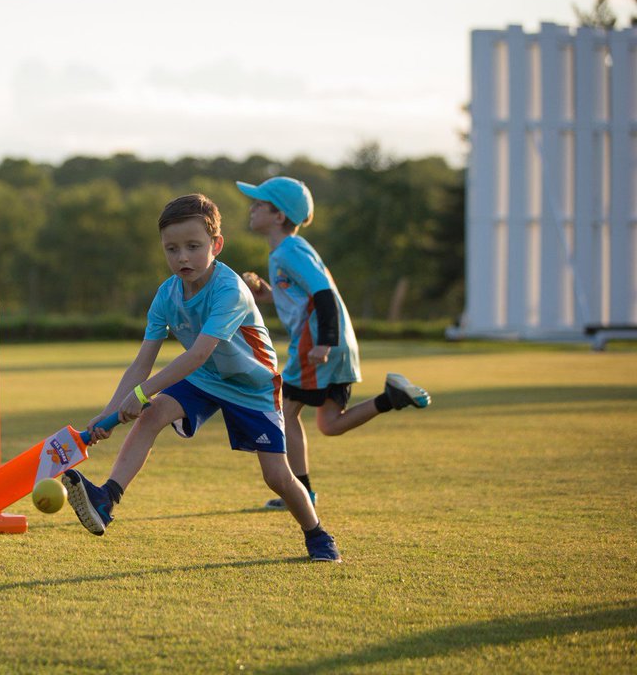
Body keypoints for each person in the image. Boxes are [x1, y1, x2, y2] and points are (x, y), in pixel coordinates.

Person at [61, 193, 343, 562]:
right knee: (152, 414)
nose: (182, 258)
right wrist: (111, 411)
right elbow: (141, 362)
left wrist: (141, 394)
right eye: (172, 249)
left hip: (252, 386)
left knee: (276, 476)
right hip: (206, 378)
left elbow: (197, 353)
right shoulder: (167, 294)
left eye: (194, 246)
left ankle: (317, 534)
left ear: (216, 245)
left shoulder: (229, 290)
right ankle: (107, 498)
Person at [235, 176, 431, 510]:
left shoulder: (289, 250)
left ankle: (302, 492)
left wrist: (324, 341)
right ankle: (391, 398)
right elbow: (303, 296)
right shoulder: (289, 250)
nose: (251, 209)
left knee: (283, 412)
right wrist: (267, 295)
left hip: (319, 344)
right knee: (329, 423)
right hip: (338, 344)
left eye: (259, 204)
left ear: (279, 216)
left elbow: (324, 294)